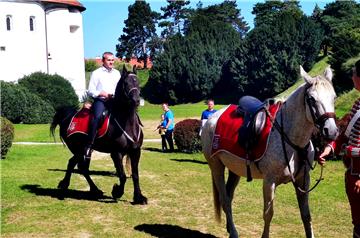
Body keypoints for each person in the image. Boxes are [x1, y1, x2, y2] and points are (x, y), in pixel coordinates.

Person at [319, 59, 360, 238]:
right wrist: (330, 148)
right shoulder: (358, 104)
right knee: (357, 222)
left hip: (359, 174)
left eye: (353, 74)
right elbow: (343, 133)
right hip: (351, 173)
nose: (351, 78)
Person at [84, 52, 121, 160]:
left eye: (112, 60)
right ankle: (89, 145)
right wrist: (101, 93)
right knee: (97, 117)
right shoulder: (96, 73)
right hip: (101, 100)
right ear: (103, 61)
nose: (111, 62)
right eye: (109, 60)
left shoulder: (117, 73)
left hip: (114, 101)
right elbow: (91, 90)